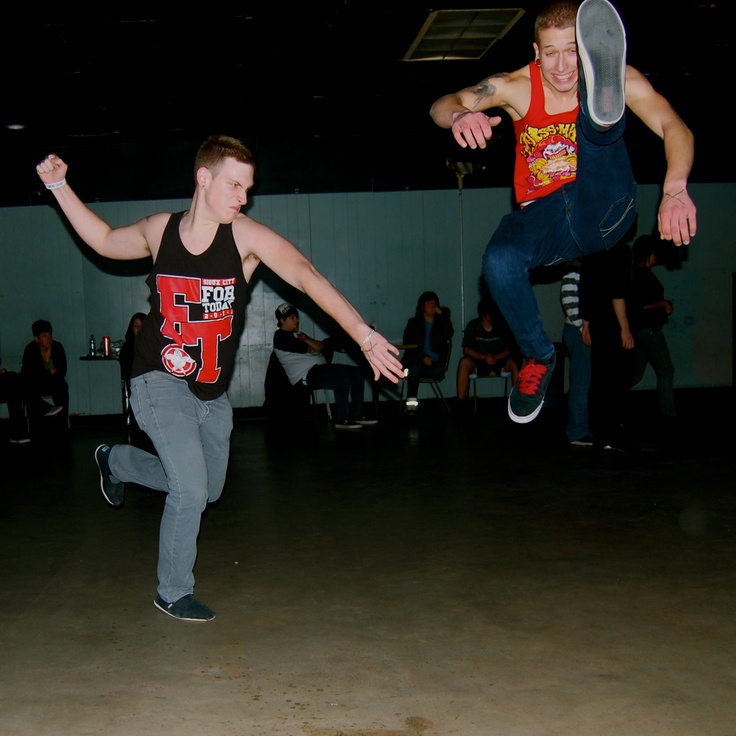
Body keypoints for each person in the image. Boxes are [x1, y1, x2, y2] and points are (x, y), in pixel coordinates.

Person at [35, 135, 404, 623]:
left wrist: (360, 332)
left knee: (205, 491)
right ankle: (173, 590)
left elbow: (305, 274)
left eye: (247, 188)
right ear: (202, 178)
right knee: (189, 488)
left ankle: (118, 462)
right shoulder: (159, 230)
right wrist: (59, 185)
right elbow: (103, 240)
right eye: (234, 185)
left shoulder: (245, 237)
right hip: (156, 378)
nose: (242, 197)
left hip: (211, 393)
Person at [429, 0, 696, 425]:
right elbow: (443, 103)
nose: (561, 65)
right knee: (498, 261)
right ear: (536, 53)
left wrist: (676, 187)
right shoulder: (516, 85)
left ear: (589, 50)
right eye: (550, 53)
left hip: (605, 207)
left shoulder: (622, 78)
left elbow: (674, 126)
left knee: (597, 137)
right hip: (547, 219)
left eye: (573, 51)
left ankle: (600, 117)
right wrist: (461, 115)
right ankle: (538, 355)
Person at [272, 303, 376, 430]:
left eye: (297, 317)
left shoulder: (299, 335)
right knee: (342, 377)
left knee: (357, 373)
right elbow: (314, 348)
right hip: (306, 375)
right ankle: (342, 419)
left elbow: (320, 347)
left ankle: (358, 415)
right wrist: (309, 343)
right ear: (282, 320)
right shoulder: (280, 337)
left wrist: (307, 340)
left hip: (320, 368)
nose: (297, 320)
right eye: (292, 318)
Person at [579, 236, 638, 453]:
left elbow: (584, 287)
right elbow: (618, 292)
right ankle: (615, 435)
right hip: (613, 325)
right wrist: (625, 327)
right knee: (618, 381)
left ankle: (600, 435)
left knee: (599, 380)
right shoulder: (620, 251)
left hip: (597, 323)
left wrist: (586, 323)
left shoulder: (591, 249)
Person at [630, 234, 677, 419]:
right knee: (666, 370)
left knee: (635, 374)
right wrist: (662, 303)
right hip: (648, 329)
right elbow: (640, 305)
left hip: (638, 331)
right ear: (650, 253)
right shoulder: (644, 275)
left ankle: (613, 409)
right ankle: (668, 415)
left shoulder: (634, 273)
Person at [456, 298, 519, 410]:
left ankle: (519, 400)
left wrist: (495, 357)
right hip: (478, 362)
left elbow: (510, 348)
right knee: (464, 362)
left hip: (500, 361)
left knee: (516, 362)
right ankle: (461, 402)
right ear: (484, 315)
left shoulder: (502, 326)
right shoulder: (473, 326)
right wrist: (484, 357)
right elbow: (466, 349)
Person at [401, 290, 454, 411]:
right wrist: (423, 358)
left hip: (435, 364)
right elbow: (410, 345)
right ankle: (411, 406)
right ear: (422, 306)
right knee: (414, 368)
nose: (432, 305)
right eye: (428, 302)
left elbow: (449, 333)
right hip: (416, 361)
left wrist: (442, 314)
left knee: (436, 370)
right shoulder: (413, 323)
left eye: (434, 303)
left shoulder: (441, 323)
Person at [560, 262, 593, 445]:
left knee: (586, 382)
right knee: (581, 382)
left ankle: (584, 427)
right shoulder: (574, 269)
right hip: (578, 331)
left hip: (583, 331)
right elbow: (568, 298)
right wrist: (583, 329)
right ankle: (578, 431)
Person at [20, 319, 69, 425]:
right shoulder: (30, 350)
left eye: (50, 334)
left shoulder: (57, 347)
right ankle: (40, 419)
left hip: (54, 381)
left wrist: (44, 374)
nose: (48, 338)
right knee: (27, 389)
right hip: (36, 384)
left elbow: (62, 370)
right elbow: (29, 374)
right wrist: (49, 372)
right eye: (44, 336)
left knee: (62, 387)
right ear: (36, 339)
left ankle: (62, 422)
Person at [0, 357, 31, 444]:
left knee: (14, 387)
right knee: (13, 379)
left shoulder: (53, 349)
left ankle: (16, 434)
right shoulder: (31, 349)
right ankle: (41, 405)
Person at [119, 312, 147, 389]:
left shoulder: (153, 346)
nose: (139, 329)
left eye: (142, 326)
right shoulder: (127, 347)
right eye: (136, 326)